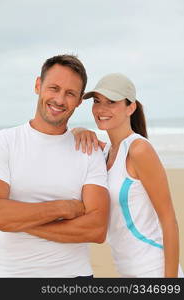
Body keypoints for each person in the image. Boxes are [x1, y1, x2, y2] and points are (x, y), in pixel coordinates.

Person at [0, 54, 110, 278]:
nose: (60, 100)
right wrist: (64, 208)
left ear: (79, 101)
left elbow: (96, 229)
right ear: (38, 85)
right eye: (54, 88)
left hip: (75, 279)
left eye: (70, 93)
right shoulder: (5, 143)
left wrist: (21, 222)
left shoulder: (89, 150)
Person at [73, 72, 183, 277]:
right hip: (125, 272)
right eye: (97, 101)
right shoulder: (105, 153)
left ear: (130, 107)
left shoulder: (139, 150)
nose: (101, 109)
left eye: (111, 101)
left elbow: (169, 220)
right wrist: (78, 130)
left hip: (154, 271)